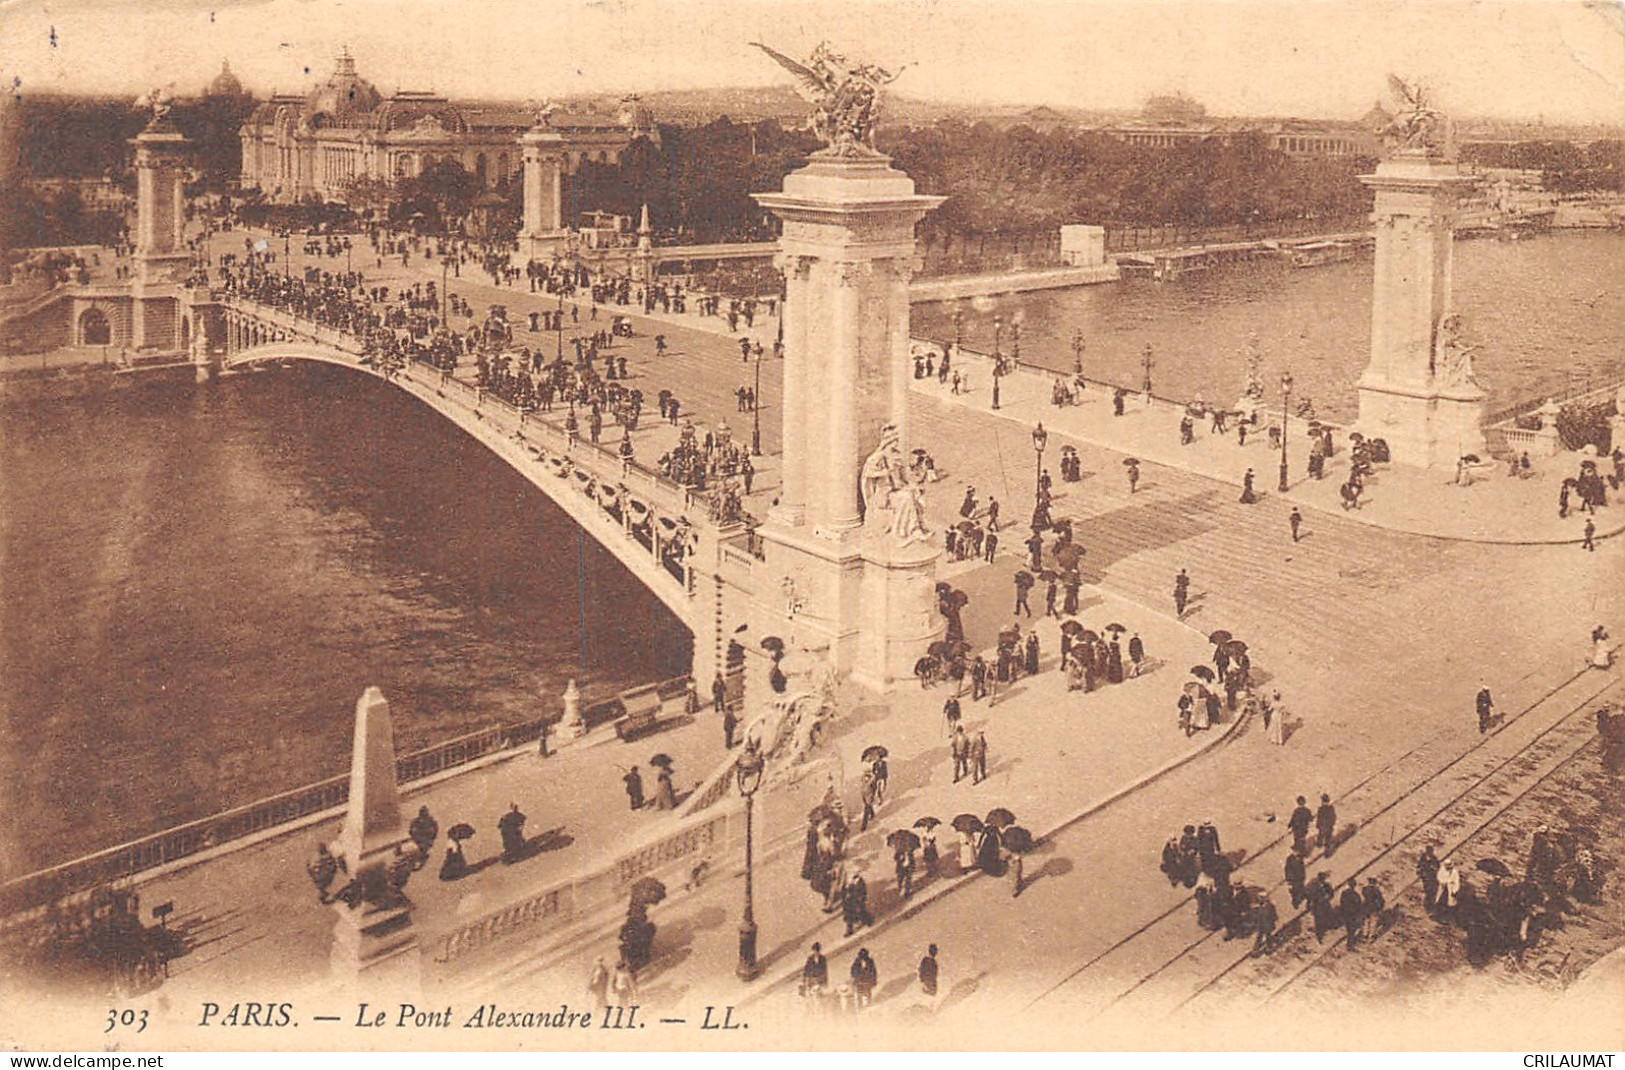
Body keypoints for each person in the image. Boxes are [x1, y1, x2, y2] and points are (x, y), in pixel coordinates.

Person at [1339, 878, 1365, 950]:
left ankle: (1350, 943)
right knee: (1352, 929)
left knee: (1350, 929)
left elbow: (1342, 902)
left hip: (1346, 913)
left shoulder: (1344, 893)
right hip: (1352, 914)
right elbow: (1359, 905)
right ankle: (1350, 944)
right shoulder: (1356, 895)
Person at [1417, 845, 1442, 915]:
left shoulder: (1434, 859)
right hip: (1427, 879)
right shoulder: (1423, 859)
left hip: (1433, 879)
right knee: (1429, 893)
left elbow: (1438, 867)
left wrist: (1434, 869)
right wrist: (1422, 874)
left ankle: (1431, 908)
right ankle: (1428, 908)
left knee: (1432, 893)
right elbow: (1419, 868)